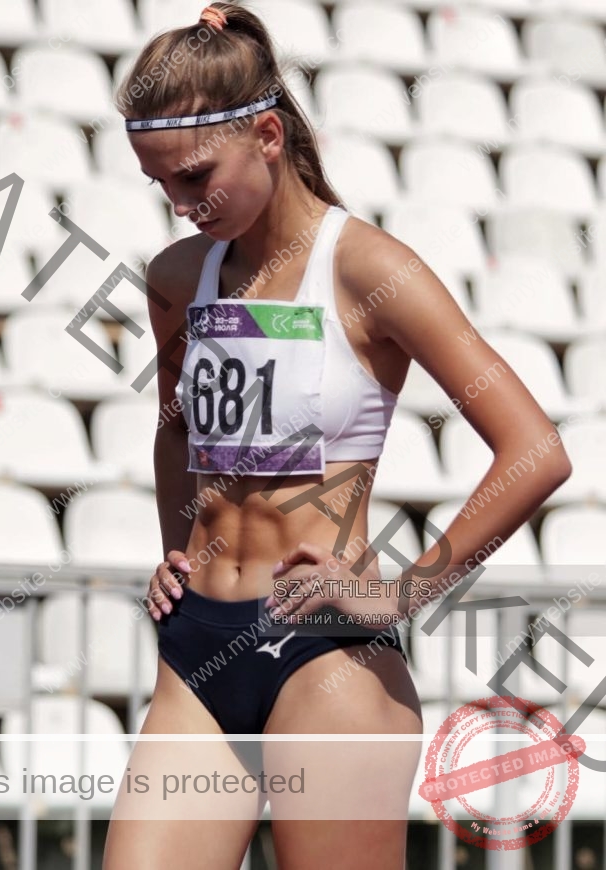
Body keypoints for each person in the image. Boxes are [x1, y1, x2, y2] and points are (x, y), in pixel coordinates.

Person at [102, 4, 573, 868]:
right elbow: (176, 432)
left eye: (195, 176)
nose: (179, 203)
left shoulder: (370, 270)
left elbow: (536, 450)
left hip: (326, 655)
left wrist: (403, 594)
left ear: (269, 136)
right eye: (160, 183)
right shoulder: (176, 278)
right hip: (198, 649)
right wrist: (176, 547)